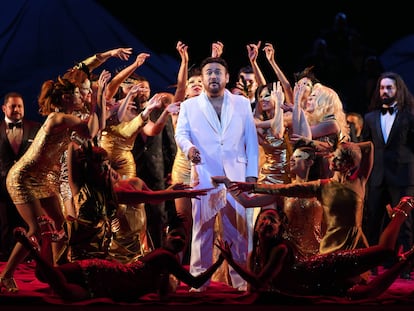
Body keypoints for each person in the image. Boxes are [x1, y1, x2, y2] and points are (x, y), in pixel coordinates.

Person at [0, 74, 105, 292]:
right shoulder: (59, 119)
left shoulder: (71, 117)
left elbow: (97, 127)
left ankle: (55, 270)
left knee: (61, 225)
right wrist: (97, 98)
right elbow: (91, 130)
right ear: (66, 97)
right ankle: (6, 275)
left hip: (43, 179)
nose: (81, 96)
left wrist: (99, 98)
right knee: (36, 230)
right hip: (23, 177)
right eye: (77, 93)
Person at [216, 196, 414, 300]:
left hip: (328, 266)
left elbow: (260, 282)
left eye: (272, 220)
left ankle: (403, 209)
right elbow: (253, 290)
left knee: (385, 251)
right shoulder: (254, 256)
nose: (267, 222)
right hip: (320, 287)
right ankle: (407, 259)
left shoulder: (281, 249)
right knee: (365, 294)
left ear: (279, 229)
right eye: (263, 219)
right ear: (256, 225)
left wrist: (231, 260)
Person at [175, 56, 259, 291]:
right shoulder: (189, 106)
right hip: (205, 175)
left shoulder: (241, 104)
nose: (213, 76)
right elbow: (180, 134)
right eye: (209, 72)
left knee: (238, 231)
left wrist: (251, 175)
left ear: (227, 77)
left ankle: (241, 283)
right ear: (202, 78)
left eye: (217, 72)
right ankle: (198, 282)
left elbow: (251, 141)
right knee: (203, 230)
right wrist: (189, 148)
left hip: (236, 176)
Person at [12, 213, 224, 302]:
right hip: (104, 273)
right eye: (174, 235)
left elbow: (162, 293)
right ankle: (32, 246)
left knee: (63, 291)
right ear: (165, 237)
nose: (178, 239)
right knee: (48, 277)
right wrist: (221, 262)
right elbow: (195, 281)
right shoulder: (166, 257)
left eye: (182, 237)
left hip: (107, 287)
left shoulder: (165, 263)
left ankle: (45, 239)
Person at [227, 140, 373, 261]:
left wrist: (346, 148)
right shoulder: (321, 186)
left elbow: (369, 147)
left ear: (349, 163)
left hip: (352, 242)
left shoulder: (359, 181)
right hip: (318, 247)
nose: (292, 159)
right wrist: (250, 187)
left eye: (339, 157)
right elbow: (280, 189)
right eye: (334, 156)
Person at [212, 140, 323, 259]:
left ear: (310, 162)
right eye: (292, 156)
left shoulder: (321, 188)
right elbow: (247, 202)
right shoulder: (283, 190)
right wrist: (227, 182)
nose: (292, 159)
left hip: (316, 254)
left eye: (298, 156)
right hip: (291, 254)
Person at [362, 71, 414, 279]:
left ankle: (406, 268)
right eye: (382, 88)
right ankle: (370, 266)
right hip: (377, 177)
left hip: (403, 177)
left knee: (406, 225)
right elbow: (365, 147)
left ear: (398, 89)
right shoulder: (370, 117)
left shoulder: (410, 116)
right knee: (372, 223)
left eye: (389, 87)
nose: (385, 91)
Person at [0, 92, 41, 261]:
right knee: (3, 223)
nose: (17, 109)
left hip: (27, 186)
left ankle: (27, 256)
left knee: (28, 223)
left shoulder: (36, 128)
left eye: (20, 106)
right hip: (1, 188)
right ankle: (3, 257)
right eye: (13, 106)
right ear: (4, 108)